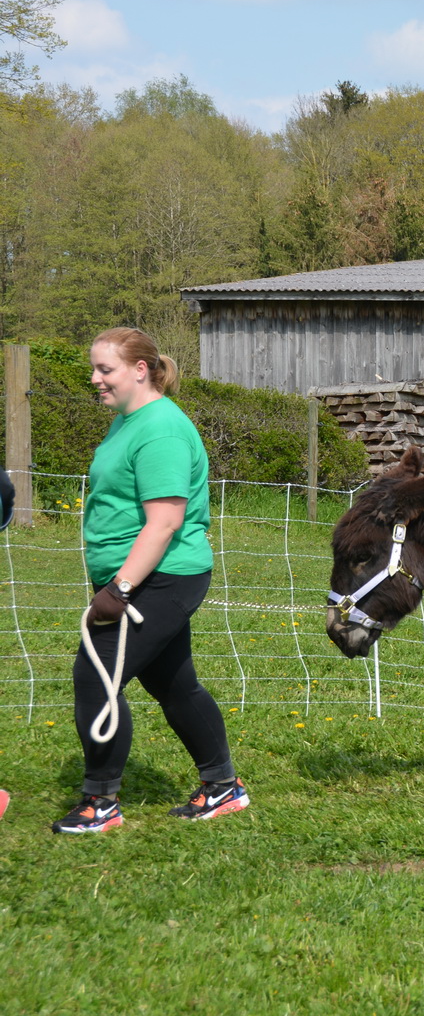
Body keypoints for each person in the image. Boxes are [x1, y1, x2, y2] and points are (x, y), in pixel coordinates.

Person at [52, 328, 246, 834]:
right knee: (173, 682)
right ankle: (223, 787)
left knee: (96, 676)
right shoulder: (128, 421)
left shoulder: (160, 429)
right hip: (143, 576)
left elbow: (164, 521)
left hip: (161, 577)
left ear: (140, 370)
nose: (95, 380)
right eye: (93, 369)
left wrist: (120, 588)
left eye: (105, 370)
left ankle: (100, 802)